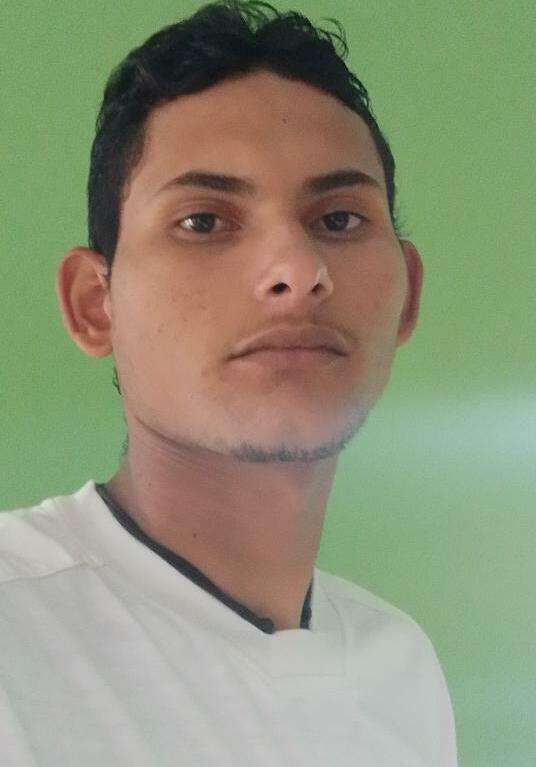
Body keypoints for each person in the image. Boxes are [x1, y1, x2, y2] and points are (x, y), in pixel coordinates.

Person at [0, 1, 458, 764]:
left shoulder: (403, 671)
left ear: (407, 293)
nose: (297, 270)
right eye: (204, 221)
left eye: (339, 220)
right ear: (94, 304)